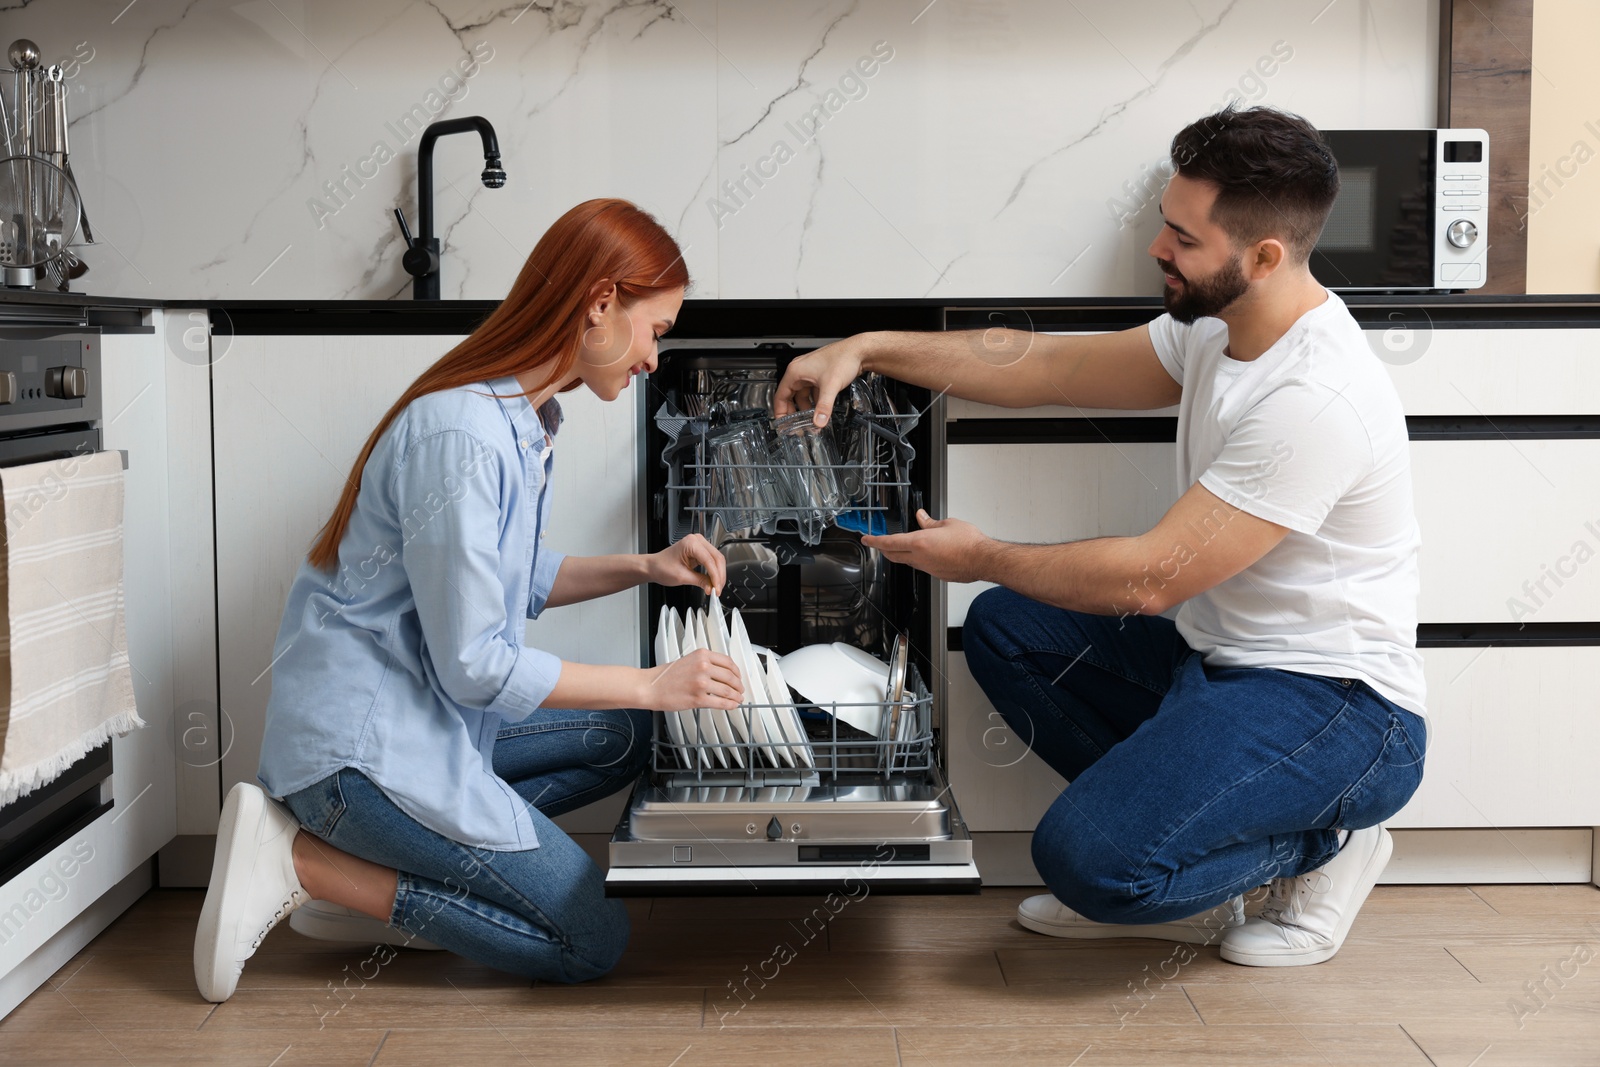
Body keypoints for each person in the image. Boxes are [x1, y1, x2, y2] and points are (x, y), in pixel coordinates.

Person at [774, 106, 1427, 967]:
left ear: (1263, 257)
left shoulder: (1316, 398)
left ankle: (1326, 845)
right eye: (1167, 222)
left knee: (1083, 861)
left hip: (1337, 706)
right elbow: (1044, 367)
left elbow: (1152, 579)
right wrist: (863, 348)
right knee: (1010, 628)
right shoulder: (1214, 330)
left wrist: (976, 556)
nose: (1160, 248)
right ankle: (1179, 842)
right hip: (1216, 667)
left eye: (1184, 239)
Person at [193, 199, 745, 1002]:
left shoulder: (518, 419)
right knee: (593, 937)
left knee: (626, 737)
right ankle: (308, 864)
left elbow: (514, 576)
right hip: (356, 761)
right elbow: (478, 666)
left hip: (427, 724)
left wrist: (646, 566)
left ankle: (378, 872)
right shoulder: (464, 437)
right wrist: (651, 682)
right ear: (600, 305)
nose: (655, 359)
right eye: (656, 330)